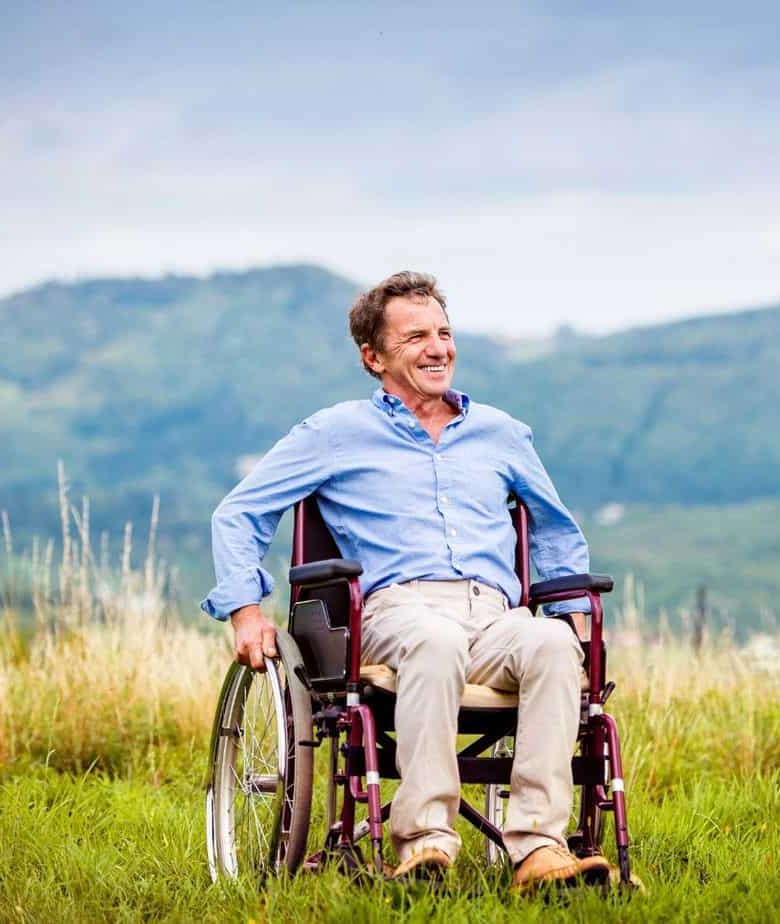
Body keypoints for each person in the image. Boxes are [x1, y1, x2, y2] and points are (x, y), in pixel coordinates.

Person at [200, 271, 604, 891]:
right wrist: (244, 609)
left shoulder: (502, 433)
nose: (438, 347)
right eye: (416, 336)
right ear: (374, 356)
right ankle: (425, 843)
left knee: (553, 646)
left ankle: (539, 849)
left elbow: (553, 530)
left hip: (493, 614)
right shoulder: (333, 433)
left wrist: (573, 610)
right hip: (393, 612)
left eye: (444, 332)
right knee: (434, 642)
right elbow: (241, 512)